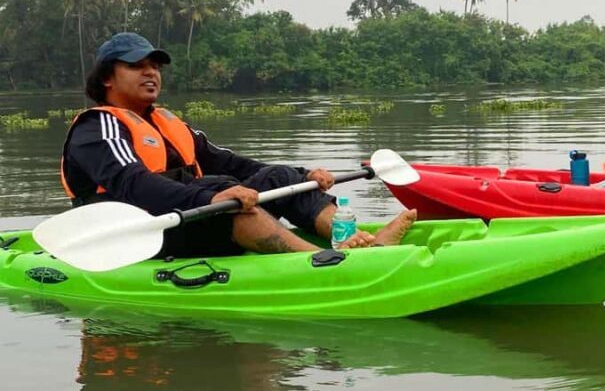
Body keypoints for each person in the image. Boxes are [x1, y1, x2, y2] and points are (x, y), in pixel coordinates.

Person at [60, 32, 416, 258]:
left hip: (189, 216)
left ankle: (355, 240)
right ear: (107, 76)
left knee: (278, 176)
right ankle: (321, 261)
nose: (151, 73)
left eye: (154, 66)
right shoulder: (97, 127)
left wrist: (304, 173)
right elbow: (132, 184)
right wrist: (208, 198)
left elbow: (232, 163)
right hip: (136, 233)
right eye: (137, 66)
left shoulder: (168, 123)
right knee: (223, 193)